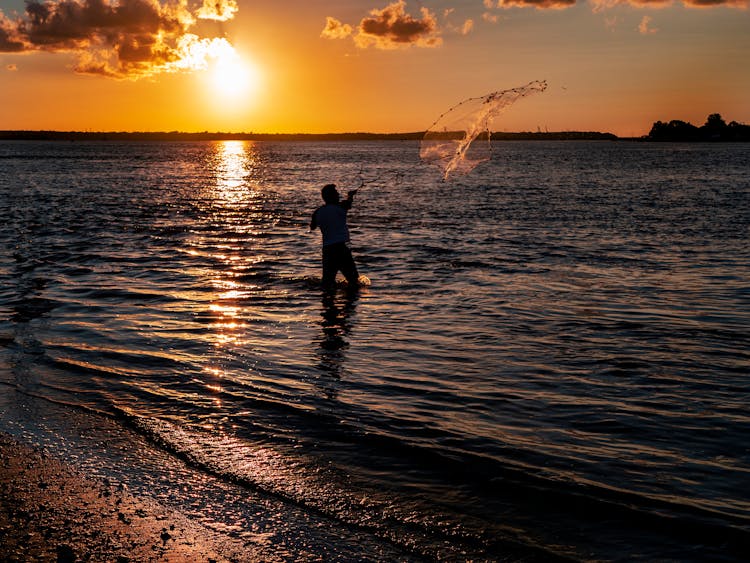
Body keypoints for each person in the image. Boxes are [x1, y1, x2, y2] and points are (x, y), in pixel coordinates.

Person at [310, 183, 360, 290]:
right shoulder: (340, 207)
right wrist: (350, 195)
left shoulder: (317, 212)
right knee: (353, 281)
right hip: (341, 249)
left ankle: (328, 304)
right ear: (332, 196)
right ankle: (349, 303)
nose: (338, 195)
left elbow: (312, 227)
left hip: (327, 250)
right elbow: (349, 203)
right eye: (336, 194)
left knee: (327, 282)